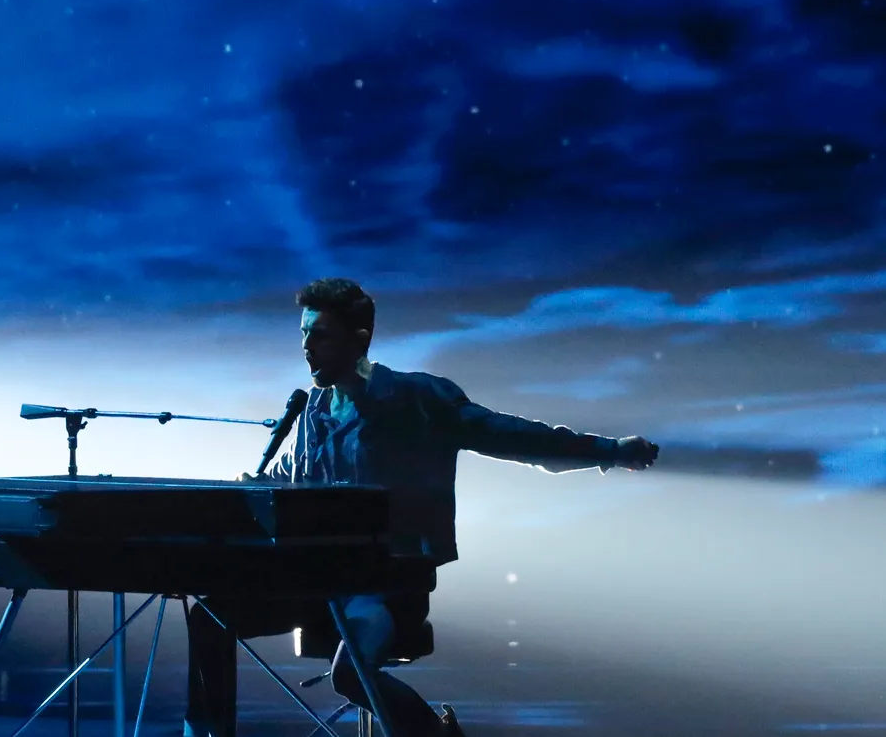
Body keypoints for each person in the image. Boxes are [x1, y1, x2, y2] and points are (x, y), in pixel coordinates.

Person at [185, 278, 660, 737]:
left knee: (350, 676)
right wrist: (257, 486)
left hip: (390, 585)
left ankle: (436, 732)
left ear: (359, 339)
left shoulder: (416, 398)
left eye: (321, 335)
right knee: (209, 615)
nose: (307, 347)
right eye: (304, 334)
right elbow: (293, 481)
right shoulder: (314, 412)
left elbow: (512, 437)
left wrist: (609, 450)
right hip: (322, 582)